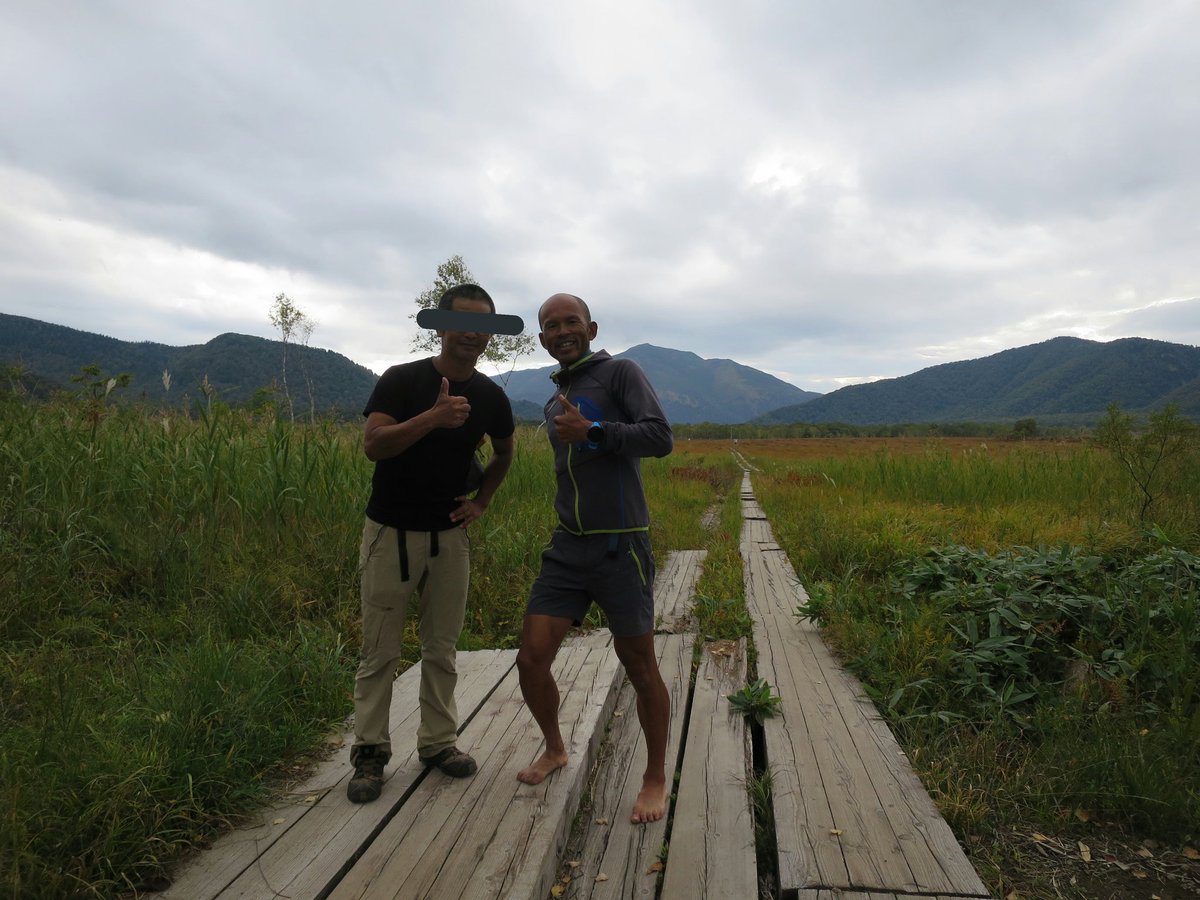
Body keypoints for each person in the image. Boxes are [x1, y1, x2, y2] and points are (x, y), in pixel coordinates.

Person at [347, 283, 516, 804]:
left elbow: (506, 454)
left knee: (441, 649)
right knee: (380, 650)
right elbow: (375, 445)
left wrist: (481, 502)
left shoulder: (490, 396)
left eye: (483, 325)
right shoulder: (402, 381)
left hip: (450, 535)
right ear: (439, 325)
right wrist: (433, 419)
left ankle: (438, 744)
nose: (473, 333)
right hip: (390, 532)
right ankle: (370, 754)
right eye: (462, 321)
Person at [515, 293, 674, 824]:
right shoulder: (553, 398)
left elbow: (659, 436)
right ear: (541, 338)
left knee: (639, 666)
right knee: (532, 658)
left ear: (591, 328)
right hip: (568, 546)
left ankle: (655, 777)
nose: (562, 331)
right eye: (551, 325)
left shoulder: (620, 374)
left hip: (621, 544)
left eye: (571, 322)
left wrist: (596, 432)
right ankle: (556, 748)